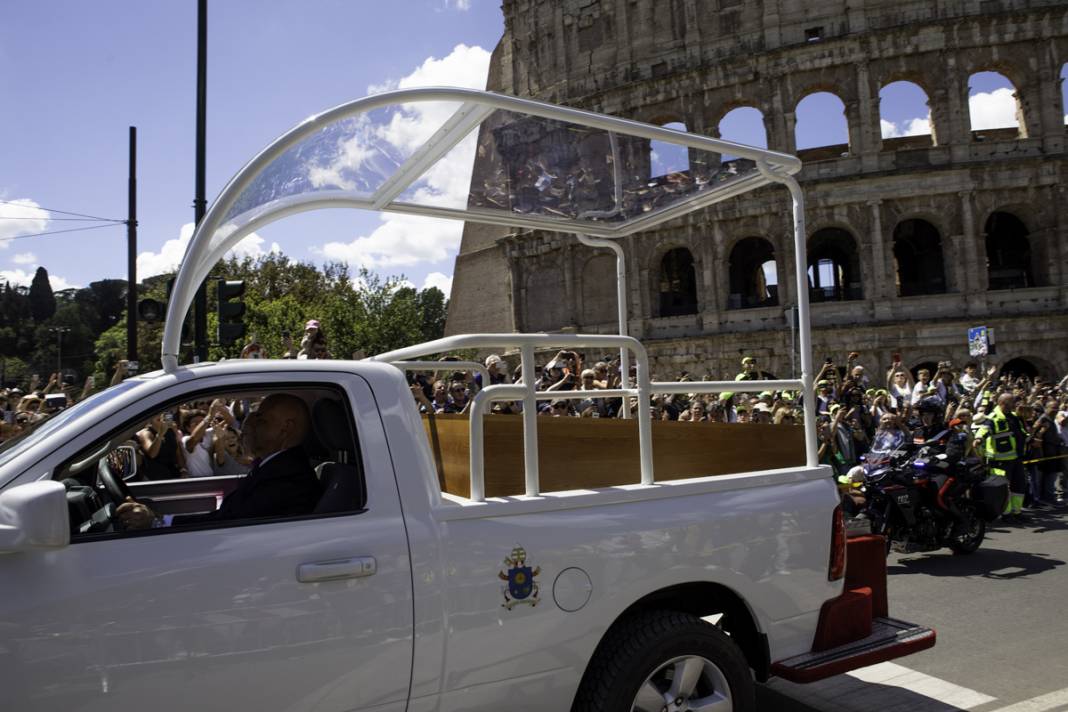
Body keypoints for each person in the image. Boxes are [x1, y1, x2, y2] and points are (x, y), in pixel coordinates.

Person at [117, 393, 322, 529]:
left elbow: (229, 523)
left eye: (260, 419)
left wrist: (158, 523)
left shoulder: (287, 479)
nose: (248, 423)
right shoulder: (274, 467)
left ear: (285, 429)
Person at [973, 393, 1029, 523]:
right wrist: (978, 438)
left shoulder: (1014, 416)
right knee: (1003, 488)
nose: (1014, 404)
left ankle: (1017, 512)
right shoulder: (993, 418)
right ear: (1003, 403)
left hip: (1016, 458)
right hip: (1000, 461)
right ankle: (1006, 514)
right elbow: (984, 429)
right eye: (1012, 402)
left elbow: (1020, 432)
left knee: (1019, 486)